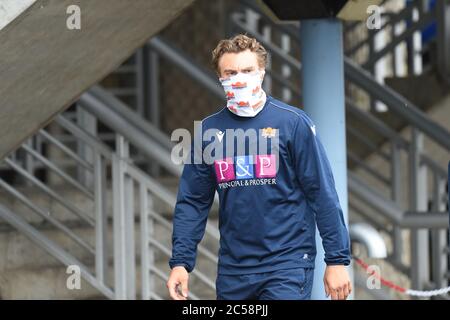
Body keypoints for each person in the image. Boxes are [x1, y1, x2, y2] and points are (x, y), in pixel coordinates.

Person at [167, 34, 351, 300]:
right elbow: (193, 202)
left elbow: (322, 193)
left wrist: (336, 260)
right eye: (230, 72)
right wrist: (180, 263)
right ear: (220, 78)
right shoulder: (209, 131)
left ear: (261, 73)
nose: (239, 78)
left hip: (287, 265)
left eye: (247, 70)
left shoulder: (293, 124)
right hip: (234, 271)